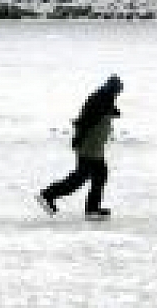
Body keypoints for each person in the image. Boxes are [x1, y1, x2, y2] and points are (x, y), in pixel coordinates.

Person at [36, 75, 123, 219]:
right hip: (90, 146)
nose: (117, 94)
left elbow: (99, 112)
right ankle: (47, 195)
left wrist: (113, 112)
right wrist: (78, 139)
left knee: (99, 174)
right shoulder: (101, 99)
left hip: (94, 147)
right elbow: (85, 120)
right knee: (79, 179)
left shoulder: (103, 97)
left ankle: (92, 208)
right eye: (117, 90)